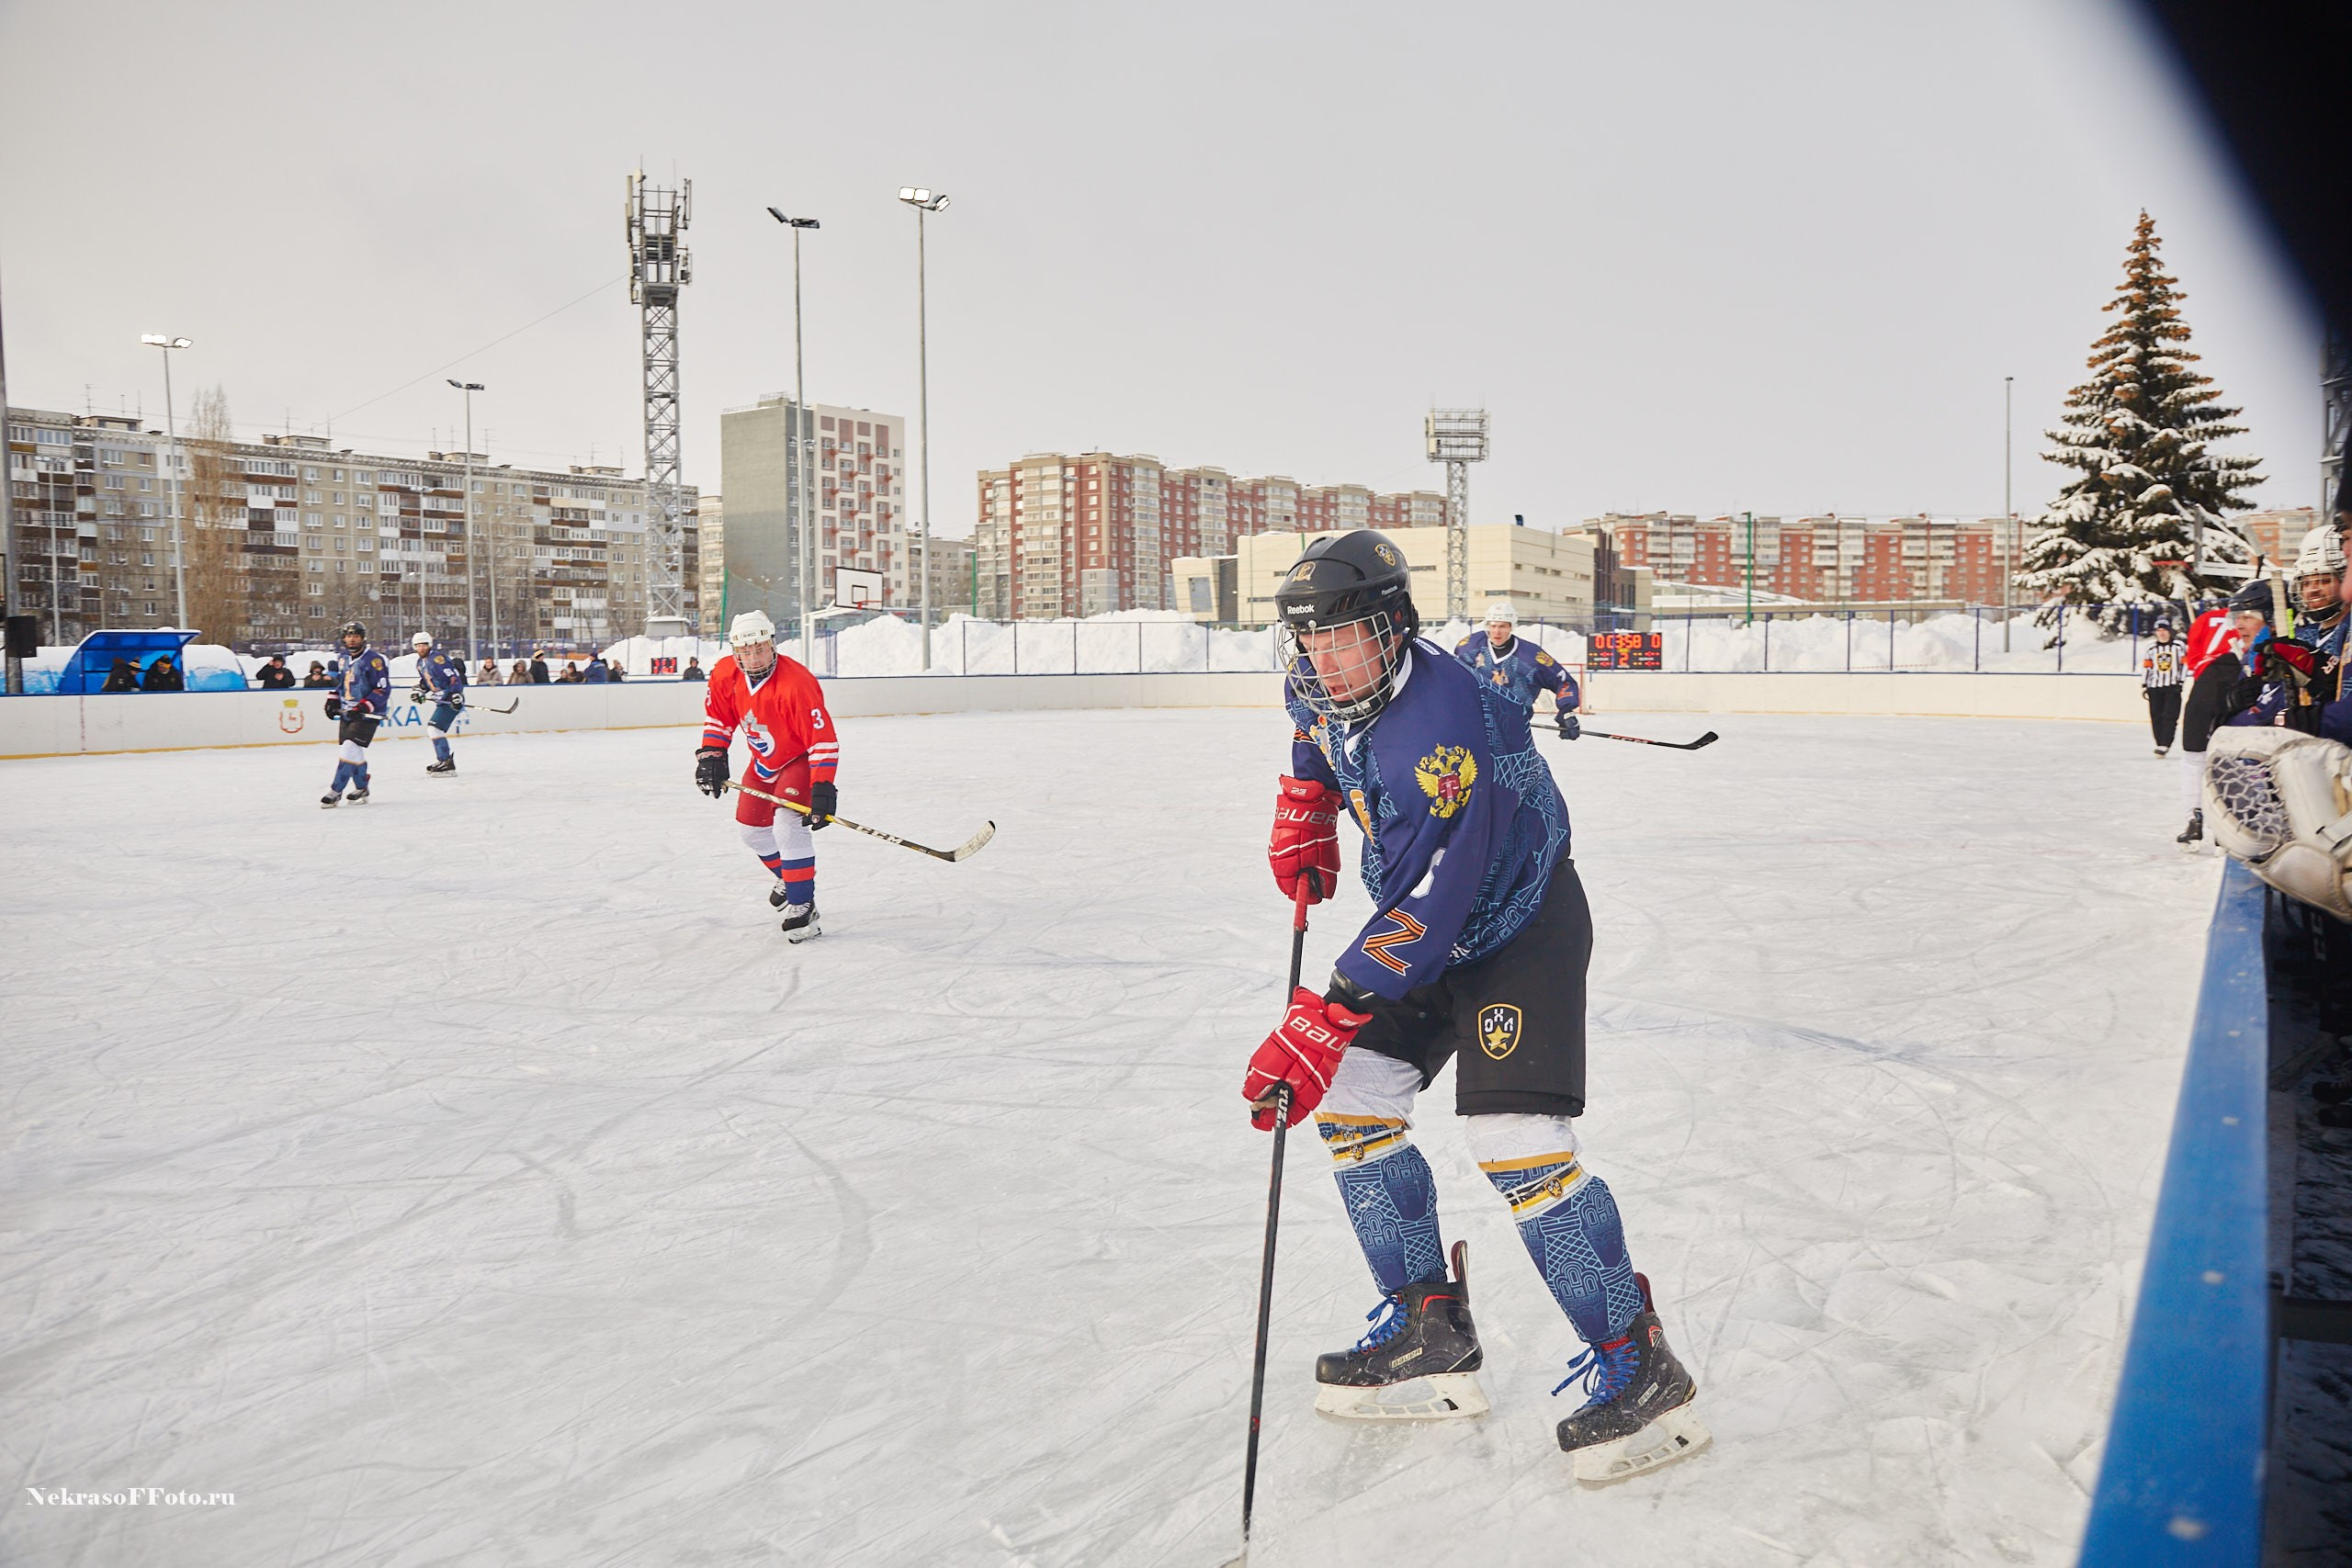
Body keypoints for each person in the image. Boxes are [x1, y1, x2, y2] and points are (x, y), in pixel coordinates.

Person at [1244, 529, 1705, 1479]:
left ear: (1396, 627)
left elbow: (1431, 904)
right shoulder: (1321, 680)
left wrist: (1321, 1014)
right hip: (1423, 923)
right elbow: (1312, 726)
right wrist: (1306, 801)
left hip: (1514, 928)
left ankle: (1637, 1363)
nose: (1325, 662)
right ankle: (1429, 1327)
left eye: (1347, 638)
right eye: (1311, 642)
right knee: (1355, 1101)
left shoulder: (1439, 731)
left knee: (1514, 1144)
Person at [695, 609, 839, 942]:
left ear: (772, 644)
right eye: (745, 651)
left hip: (799, 760)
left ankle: (803, 907)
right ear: (735, 651)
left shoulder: (797, 683)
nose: (753, 657)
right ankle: (792, 878)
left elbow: (823, 742)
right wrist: (712, 755)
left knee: (789, 826)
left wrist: (822, 787)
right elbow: (718, 718)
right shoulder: (724, 673)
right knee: (751, 831)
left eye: (759, 648)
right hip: (763, 762)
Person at [1454, 599, 1581, 738]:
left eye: (1503, 626)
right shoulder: (1469, 647)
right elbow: (1452, 679)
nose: (1497, 631)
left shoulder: (1531, 656)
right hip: (1473, 724)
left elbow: (1564, 682)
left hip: (1514, 729)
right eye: (1493, 626)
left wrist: (1567, 711)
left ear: (1512, 627)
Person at [320, 622, 390, 807]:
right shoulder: (343, 658)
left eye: (356, 636)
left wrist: (365, 706)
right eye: (349, 636)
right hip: (347, 712)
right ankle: (361, 788)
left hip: (367, 714)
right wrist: (333, 699)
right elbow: (342, 684)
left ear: (363, 638)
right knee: (354, 752)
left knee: (349, 748)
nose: (352, 639)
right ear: (343, 639)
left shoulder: (374, 660)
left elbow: (382, 689)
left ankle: (335, 791)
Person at [409, 631, 468, 776]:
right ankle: (444, 761)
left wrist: (456, 694)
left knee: (434, 728)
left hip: (450, 698)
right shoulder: (419, 663)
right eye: (418, 645)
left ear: (429, 645)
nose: (421, 648)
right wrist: (421, 690)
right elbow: (427, 682)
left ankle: (446, 763)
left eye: (424, 645)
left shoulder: (437, 658)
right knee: (435, 729)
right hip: (442, 700)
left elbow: (453, 677)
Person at [2140, 621, 2184, 755]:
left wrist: (2181, 681)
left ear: (2170, 631)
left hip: (2172, 686)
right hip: (2154, 686)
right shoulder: (2151, 648)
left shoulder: (2178, 646)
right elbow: (2147, 666)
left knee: (2170, 715)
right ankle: (2160, 743)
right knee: (2156, 716)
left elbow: (2184, 665)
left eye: (2164, 630)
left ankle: (2165, 743)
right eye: (2159, 630)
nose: (2162, 633)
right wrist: (2144, 684)